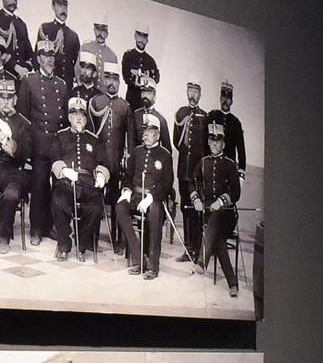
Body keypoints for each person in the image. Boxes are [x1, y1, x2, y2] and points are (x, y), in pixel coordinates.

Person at [18, 40, 68, 246]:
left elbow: (65, 119)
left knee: (57, 187)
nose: (49, 58)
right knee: (38, 187)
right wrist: (26, 148)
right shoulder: (29, 81)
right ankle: (36, 229)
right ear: (38, 58)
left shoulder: (62, 85)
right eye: (44, 55)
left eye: (51, 55)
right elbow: (23, 117)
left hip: (57, 146)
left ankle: (50, 226)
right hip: (38, 145)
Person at [0, 74, 37, 251]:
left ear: (15, 99)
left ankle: (4, 237)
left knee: (11, 195)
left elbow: (24, 155)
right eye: (1, 97)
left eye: (9, 97)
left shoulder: (24, 123)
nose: (5, 102)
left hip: (14, 172)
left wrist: (11, 146)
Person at [115, 110, 175, 279]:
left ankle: (153, 266)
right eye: (144, 131)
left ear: (157, 134)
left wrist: (152, 196)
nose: (145, 135)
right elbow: (127, 176)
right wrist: (126, 191)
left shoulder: (165, 155)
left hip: (154, 199)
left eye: (149, 132)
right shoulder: (136, 152)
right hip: (135, 196)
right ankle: (139, 259)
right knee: (120, 207)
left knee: (155, 212)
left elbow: (167, 183)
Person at [50, 95, 110, 262]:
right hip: (67, 181)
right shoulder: (60, 136)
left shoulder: (94, 139)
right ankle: (64, 245)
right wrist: (63, 171)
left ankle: (82, 244)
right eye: (75, 115)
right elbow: (54, 158)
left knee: (95, 208)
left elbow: (104, 162)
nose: (79, 118)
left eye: (82, 115)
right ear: (69, 117)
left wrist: (101, 175)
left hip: (88, 183)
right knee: (58, 201)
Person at [188, 117, 242, 297]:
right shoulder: (203, 162)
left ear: (223, 143)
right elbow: (191, 182)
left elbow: (236, 193)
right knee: (217, 238)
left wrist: (222, 201)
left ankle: (202, 261)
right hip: (208, 215)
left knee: (217, 217)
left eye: (217, 141)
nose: (213, 143)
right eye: (211, 140)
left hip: (227, 216)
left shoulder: (230, 164)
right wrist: (195, 198)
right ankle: (232, 283)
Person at [173, 82, 210, 264]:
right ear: (186, 91)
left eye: (196, 91)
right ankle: (188, 248)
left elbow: (205, 147)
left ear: (200, 94)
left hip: (196, 173)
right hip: (183, 170)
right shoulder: (180, 113)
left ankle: (197, 249)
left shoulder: (205, 117)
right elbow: (176, 141)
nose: (193, 94)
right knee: (184, 208)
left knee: (196, 211)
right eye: (190, 90)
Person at [37, 0, 79, 84]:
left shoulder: (73, 35)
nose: (63, 9)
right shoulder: (45, 29)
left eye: (65, 6)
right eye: (60, 5)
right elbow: (38, 57)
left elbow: (76, 64)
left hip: (67, 84)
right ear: (53, 6)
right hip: (49, 82)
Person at [208, 80, 246, 177]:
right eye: (223, 97)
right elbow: (205, 142)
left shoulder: (236, 122)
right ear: (220, 98)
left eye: (228, 98)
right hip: (211, 166)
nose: (225, 100)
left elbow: (241, 149)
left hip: (229, 168)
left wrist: (241, 172)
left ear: (232, 101)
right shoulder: (212, 116)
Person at [121, 25, 158, 109]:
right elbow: (126, 77)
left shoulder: (150, 60)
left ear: (147, 40)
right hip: (131, 100)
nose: (141, 40)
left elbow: (156, 79)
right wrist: (146, 76)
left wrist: (139, 74)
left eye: (144, 37)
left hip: (146, 102)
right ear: (135, 36)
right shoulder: (128, 55)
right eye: (139, 36)